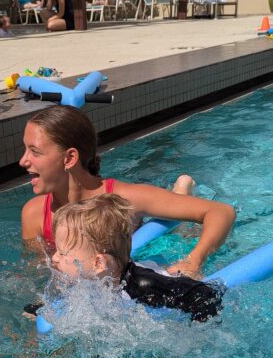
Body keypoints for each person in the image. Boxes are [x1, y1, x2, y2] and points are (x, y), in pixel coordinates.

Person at [19, 105, 236, 278]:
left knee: (178, 233)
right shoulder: (34, 214)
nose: (23, 161)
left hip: (147, 251)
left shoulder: (122, 199)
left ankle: (180, 192)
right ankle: (179, 194)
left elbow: (221, 212)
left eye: (34, 151)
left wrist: (193, 261)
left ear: (69, 158)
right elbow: (43, 274)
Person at [25, 194, 224, 322]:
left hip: (163, 277)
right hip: (134, 266)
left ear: (98, 263)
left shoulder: (143, 287)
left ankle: (182, 197)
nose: (54, 258)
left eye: (62, 252)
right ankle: (181, 192)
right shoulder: (86, 278)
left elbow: (205, 296)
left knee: (177, 265)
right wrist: (40, 309)